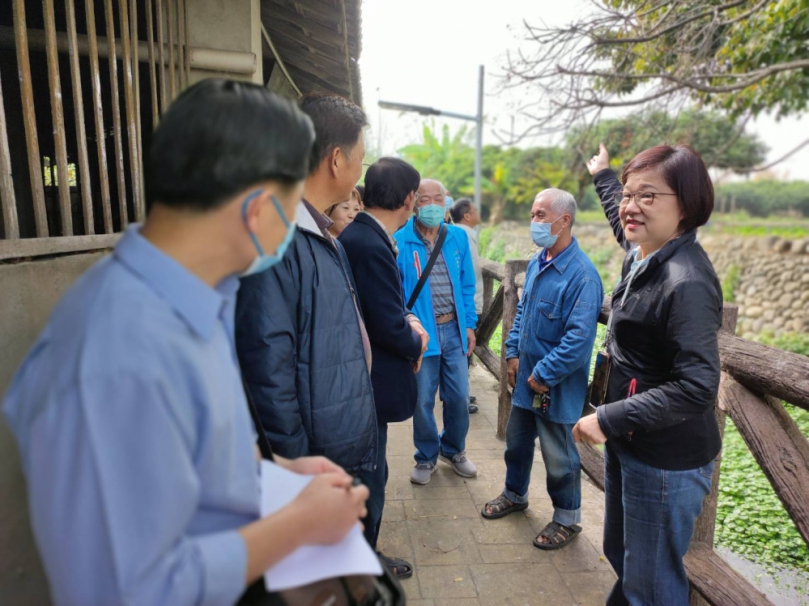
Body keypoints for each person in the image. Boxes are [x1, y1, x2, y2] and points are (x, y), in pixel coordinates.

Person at [2, 79, 368, 606]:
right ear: (258, 210)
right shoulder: (118, 354)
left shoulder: (198, 300)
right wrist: (300, 524)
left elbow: (183, 464)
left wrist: (277, 474)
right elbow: (130, 590)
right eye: (295, 202)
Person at [575, 143, 722, 605]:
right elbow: (623, 221)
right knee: (624, 556)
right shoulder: (645, 251)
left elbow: (698, 386)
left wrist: (609, 418)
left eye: (649, 196)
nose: (630, 206)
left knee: (652, 583)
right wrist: (604, 176)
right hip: (633, 440)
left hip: (664, 459)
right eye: (628, 194)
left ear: (687, 205)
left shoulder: (687, 281)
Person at [235, 92, 377, 476]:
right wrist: (298, 474)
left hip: (342, 444)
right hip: (319, 464)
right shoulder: (274, 240)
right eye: (360, 159)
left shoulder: (320, 232)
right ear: (336, 160)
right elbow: (267, 375)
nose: (361, 170)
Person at [481, 189, 603, 551]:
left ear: (563, 221)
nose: (534, 222)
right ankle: (514, 494)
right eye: (533, 214)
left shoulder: (582, 276)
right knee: (516, 445)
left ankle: (567, 519)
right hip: (525, 382)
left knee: (559, 459)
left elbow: (579, 341)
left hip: (554, 387)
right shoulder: (538, 262)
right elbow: (521, 314)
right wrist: (513, 353)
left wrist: (543, 374)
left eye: (540, 214)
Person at [339, 157, 430, 579]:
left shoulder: (362, 235)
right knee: (371, 475)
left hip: (360, 380)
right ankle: (363, 563)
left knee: (372, 470)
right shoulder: (371, 244)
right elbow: (385, 323)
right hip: (369, 383)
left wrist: (405, 319)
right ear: (409, 199)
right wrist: (415, 339)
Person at [395, 178, 478, 485]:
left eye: (437, 198)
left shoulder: (456, 236)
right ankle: (426, 455)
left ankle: (454, 449)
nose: (431, 204)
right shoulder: (400, 241)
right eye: (424, 199)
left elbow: (467, 284)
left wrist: (469, 324)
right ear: (413, 203)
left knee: (458, 397)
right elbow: (396, 293)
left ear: (446, 200)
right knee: (422, 400)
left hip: (454, 330)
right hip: (422, 335)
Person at [450, 197, 483, 414]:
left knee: (465, 353)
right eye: (475, 210)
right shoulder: (463, 236)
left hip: (467, 303)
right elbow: (467, 275)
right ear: (467, 216)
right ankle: (461, 397)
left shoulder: (461, 234)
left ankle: (462, 393)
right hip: (469, 304)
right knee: (465, 352)